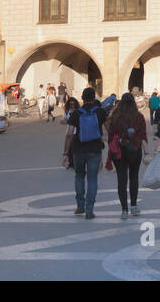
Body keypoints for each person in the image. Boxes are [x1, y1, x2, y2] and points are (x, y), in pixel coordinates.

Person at [63, 87, 108, 219]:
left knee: (79, 176)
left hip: (78, 149)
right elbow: (108, 128)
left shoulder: (76, 113)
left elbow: (69, 134)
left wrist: (65, 152)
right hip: (95, 149)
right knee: (92, 178)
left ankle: (80, 205)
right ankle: (89, 210)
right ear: (94, 98)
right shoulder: (100, 112)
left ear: (82, 98)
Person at [107, 93, 147, 219]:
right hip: (135, 149)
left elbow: (110, 136)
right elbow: (143, 135)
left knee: (121, 179)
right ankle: (134, 206)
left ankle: (124, 209)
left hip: (119, 150)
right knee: (134, 177)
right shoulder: (139, 117)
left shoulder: (115, 117)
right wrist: (147, 152)